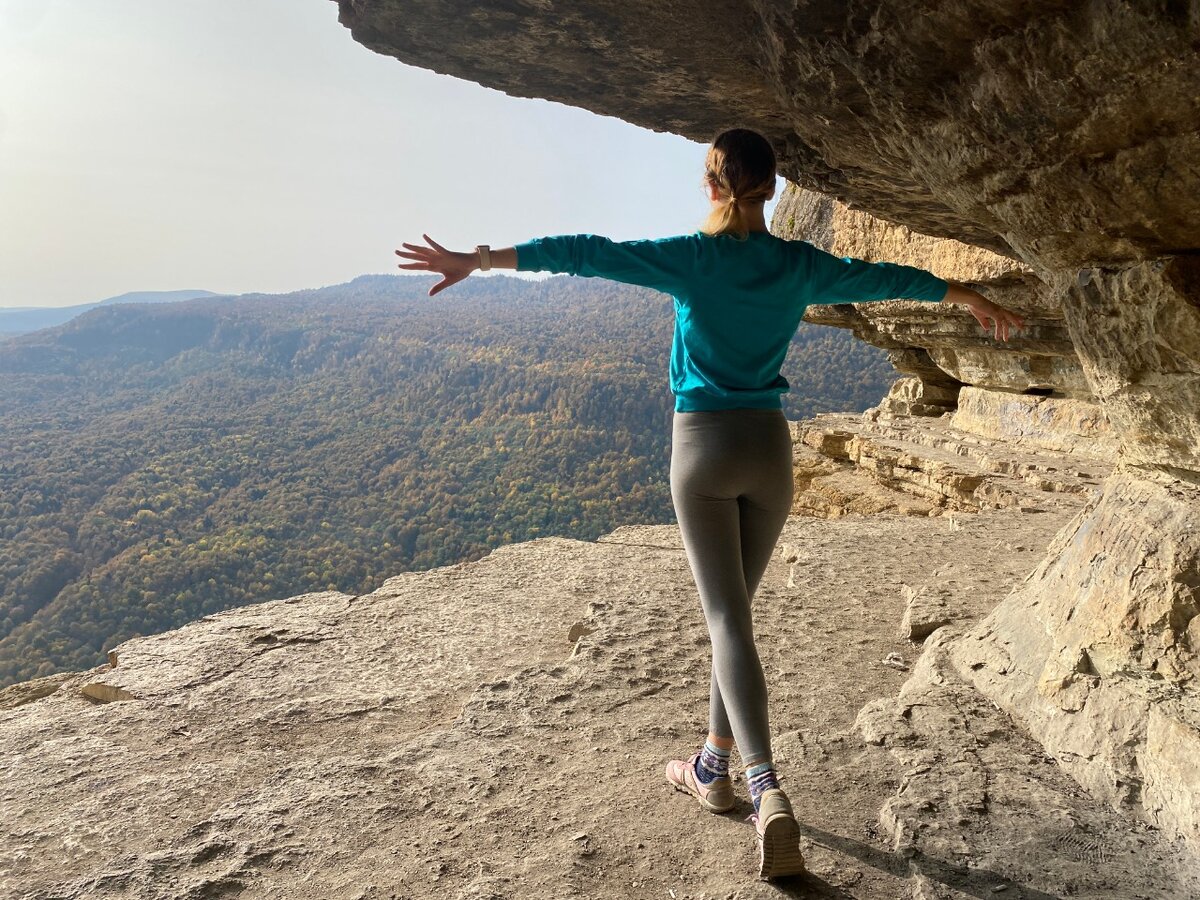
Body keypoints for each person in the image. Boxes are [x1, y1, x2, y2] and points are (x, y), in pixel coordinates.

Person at [395, 127, 1024, 880]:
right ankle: (711, 768)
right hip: (768, 449)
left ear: (715, 186)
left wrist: (482, 258)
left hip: (701, 450)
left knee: (727, 622)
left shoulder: (692, 260)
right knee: (736, 624)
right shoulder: (797, 265)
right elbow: (880, 275)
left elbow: (586, 251)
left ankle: (767, 790)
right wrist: (965, 293)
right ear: (772, 189)